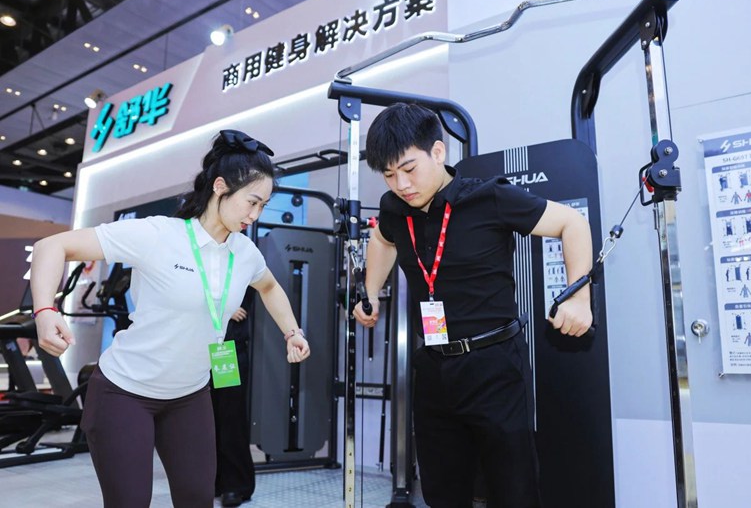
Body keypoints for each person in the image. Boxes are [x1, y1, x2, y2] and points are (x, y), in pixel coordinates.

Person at [30, 129, 311, 508]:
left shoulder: (245, 253)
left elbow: (270, 287)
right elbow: (53, 246)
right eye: (252, 202)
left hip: (190, 396)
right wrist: (45, 310)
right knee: (131, 501)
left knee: (197, 499)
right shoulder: (159, 235)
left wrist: (292, 331)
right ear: (220, 187)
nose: (255, 214)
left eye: (263, 205)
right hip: (125, 392)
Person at [353, 104, 593, 508]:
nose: (401, 184)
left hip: (494, 364)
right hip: (433, 365)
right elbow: (382, 239)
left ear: (438, 152)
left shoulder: (489, 198)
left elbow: (572, 223)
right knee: (442, 490)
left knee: (513, 489)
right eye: (390, 175)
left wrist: (578, 296)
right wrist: (371, 291)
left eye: (409, 169)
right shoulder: (394, 208)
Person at [212, 287, 256, 507]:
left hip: (226, 350)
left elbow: (247, 295)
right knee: (204, 419)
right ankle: (213, 480)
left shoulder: (241, 264)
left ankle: (234, 484)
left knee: (230, 416)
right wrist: (223, 310)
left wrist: (225, 311)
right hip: (196, 347)